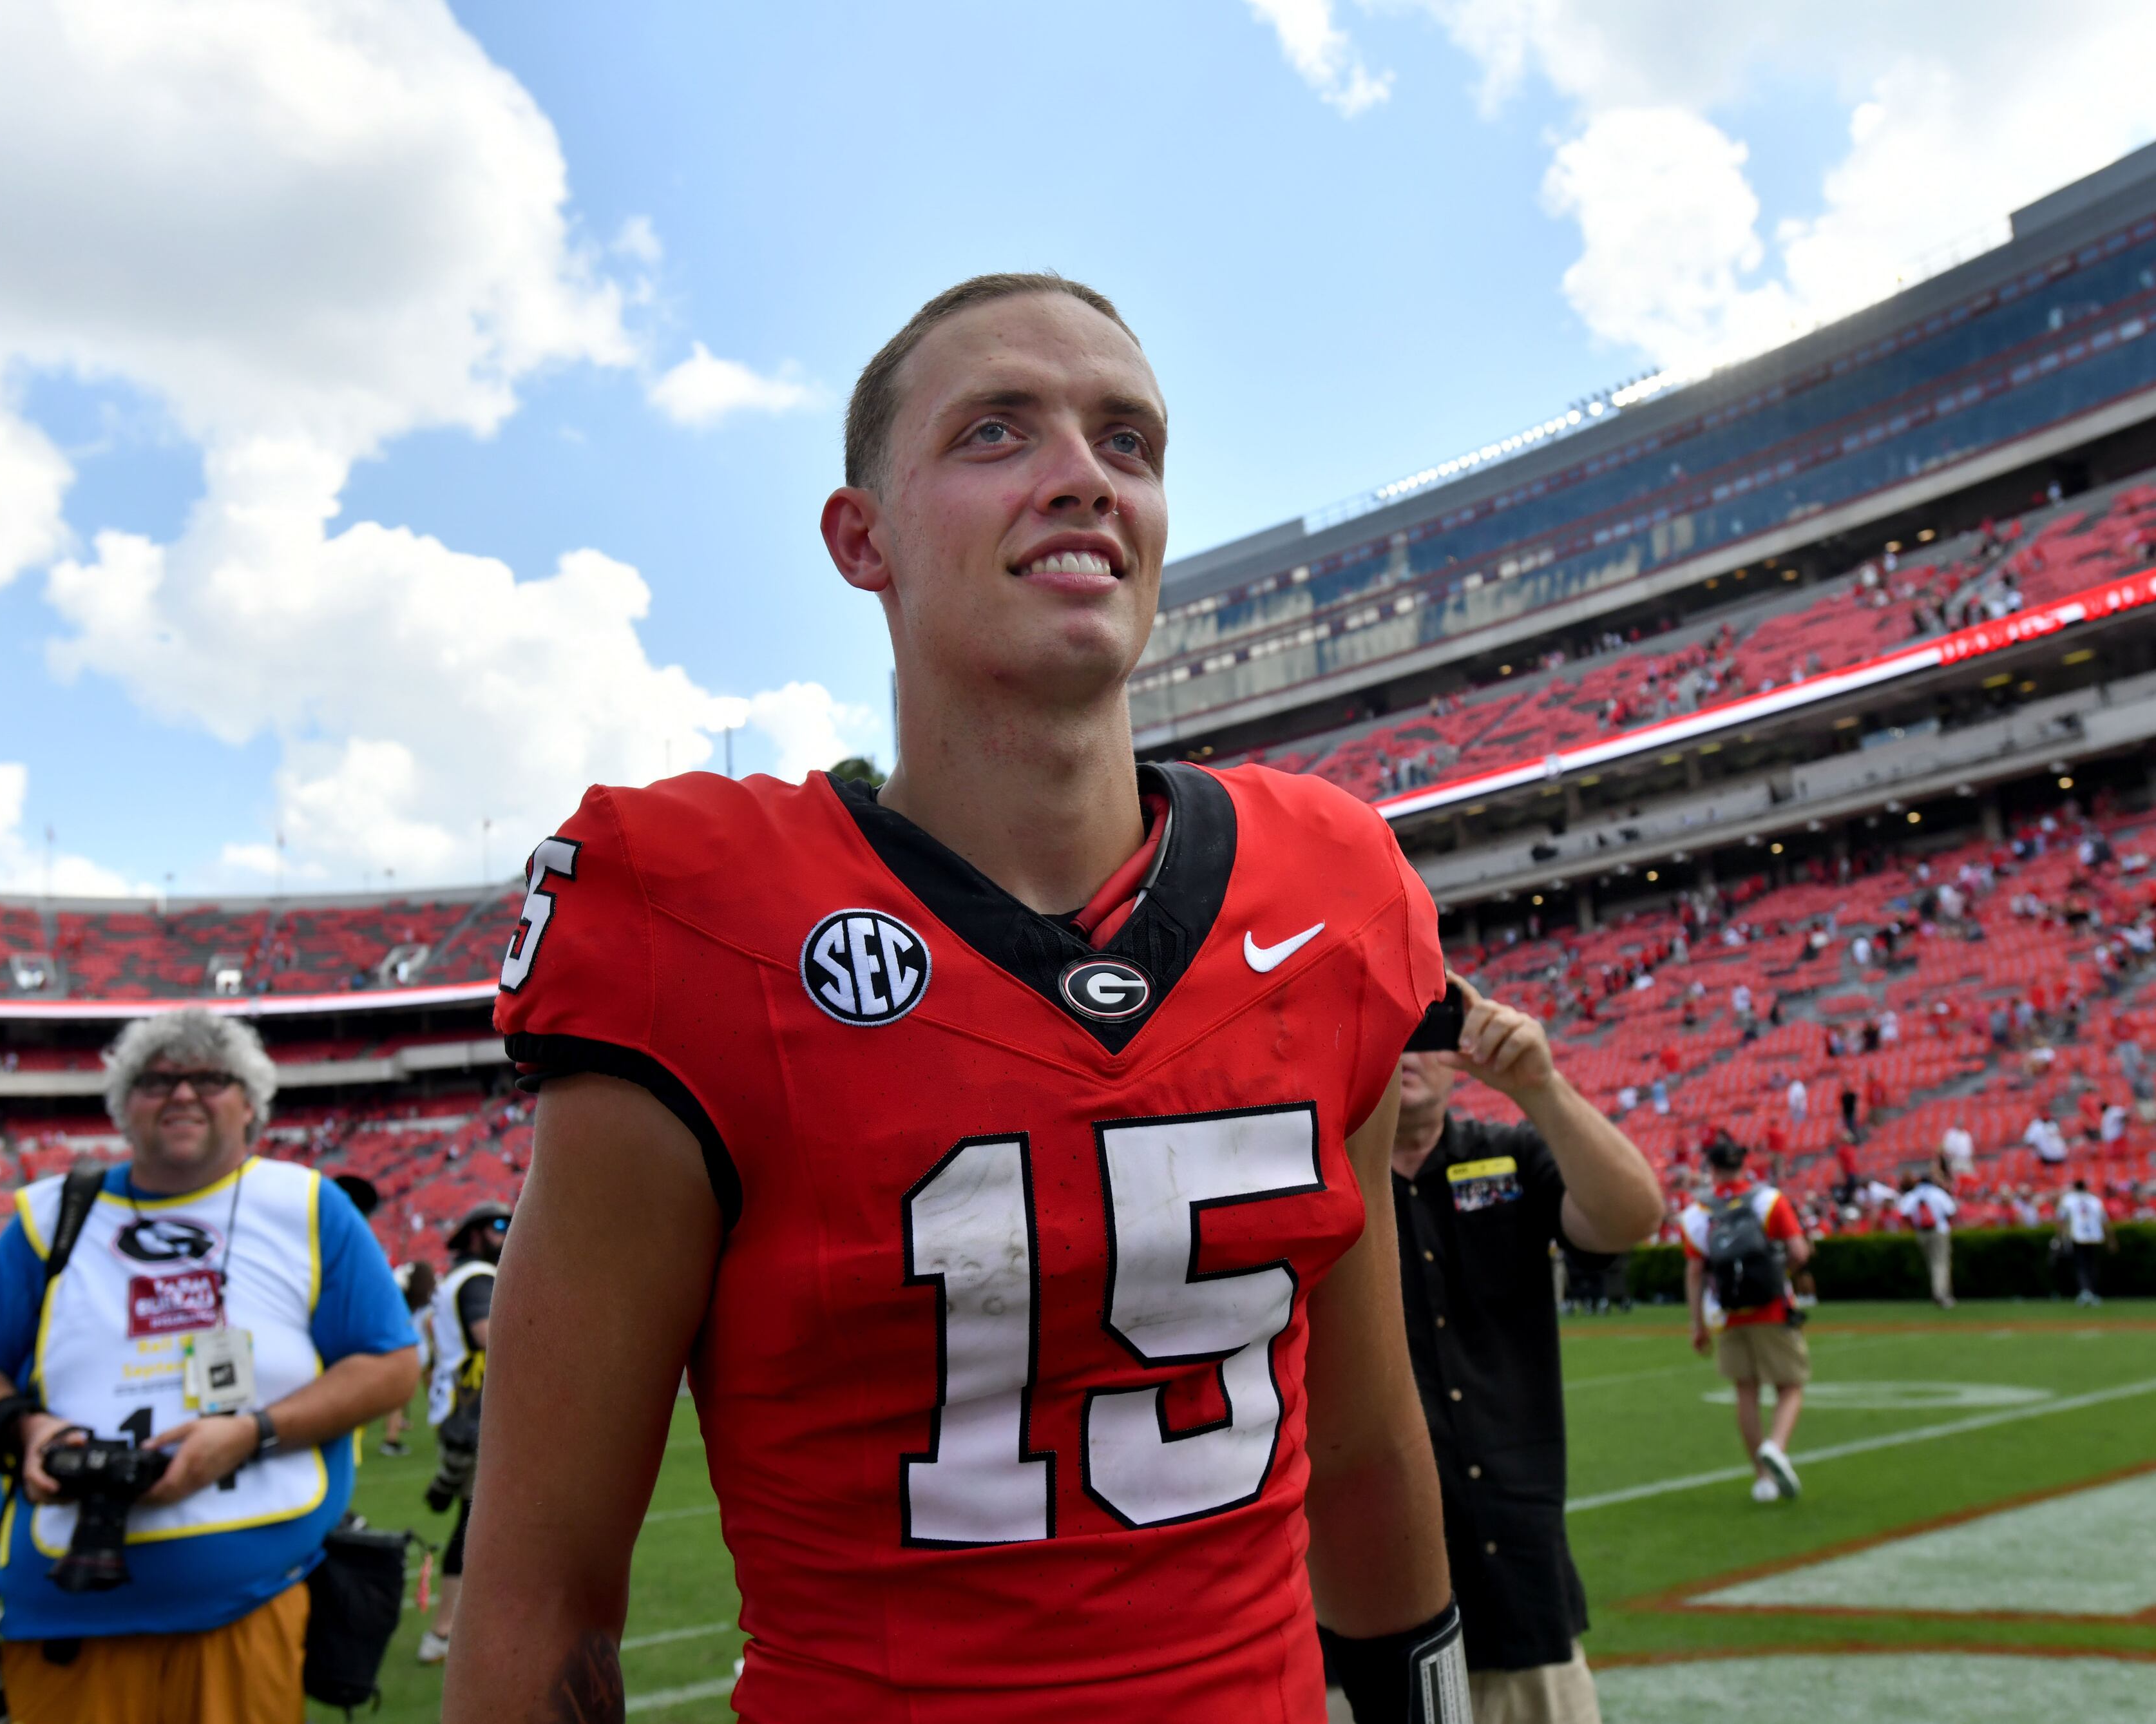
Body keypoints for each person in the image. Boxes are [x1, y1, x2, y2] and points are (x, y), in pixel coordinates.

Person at [451, 274, 1462, 1723]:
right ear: (864, 540)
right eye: (998, 434)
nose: (1082, 481)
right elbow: (542, 1590)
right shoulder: (698, 911)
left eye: (1129, 442)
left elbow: (1363, 1447)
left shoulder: (1329, 884)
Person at [0, 1010, 421, 1723]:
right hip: (66, 1621)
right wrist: (26, 1431)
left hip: (249, 1609)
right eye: (157, 1080)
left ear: (251, 1103)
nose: (182, 1094)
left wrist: (254, 1433)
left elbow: (389, 1364)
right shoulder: (51, 1218)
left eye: (210, 1078)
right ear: (124, 1105)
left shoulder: (309, 1208)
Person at [1388, 975, 1663, 1723]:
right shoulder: (1318, 1178)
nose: (1408, 1050)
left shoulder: (1509, 1155)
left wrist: (1540, 1088)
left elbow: (1632, 1216)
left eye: (1429, 1027)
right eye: (1388, 1026)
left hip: (1522, 1590)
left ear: (1460, 1046)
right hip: (1370, 1613)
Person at [1681, 1138, 1812, 1504]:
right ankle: (1777, 1445)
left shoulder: (1696, 1214)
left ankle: (1763, 1478)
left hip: (1728, 1313)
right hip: (1772, 1307)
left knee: (1745, 1391)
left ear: (1712, 1169)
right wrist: (1780, 1269)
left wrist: (1697, 1326)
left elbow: (1694, 1273)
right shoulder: (1769, 1200)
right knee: (1790, 1386)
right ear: (1744, 1165)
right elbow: (1799, 1251)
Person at [417, 1201, 508, 1667]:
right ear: (474, 1234)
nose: (506, 1231)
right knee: (477, 1524)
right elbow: (488, 1335)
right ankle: (443, 1631)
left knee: (479, 1520)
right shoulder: (477, 1278)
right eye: (497, 1225)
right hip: (474, 1415)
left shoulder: (458, 1276)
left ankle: (458, 1625)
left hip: (461, 1411)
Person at [385, 1259, 437, 1458]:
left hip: (405, 1350)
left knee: (398, 1397)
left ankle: (392, 1437)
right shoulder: (429, 1303)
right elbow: (433, 1328)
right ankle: (444, 1433)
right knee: (434, 1394)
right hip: (423, 1352)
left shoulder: (405, 1299)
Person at [1895, 1170, 1958, 1307]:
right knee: (1940, 1264)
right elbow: (1951, 1211)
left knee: (1932, 1264)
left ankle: (1940, 1292)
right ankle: (1941, 1294)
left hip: (1921, 1233)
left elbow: (1904, 1214)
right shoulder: (1938, 1193)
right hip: (1939, 1230)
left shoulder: (1913, 1195)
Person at [2057, 1176, 2110, 1306]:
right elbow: (2104, 1220)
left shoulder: (2068, 1199)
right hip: (2094, 1236)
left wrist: (2060, 1237)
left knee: (2081, 1265)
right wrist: (2111, 1239)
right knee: (2092, 1265)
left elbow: (2061, 1219)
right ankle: (2093, 1292)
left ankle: (2085, 1291)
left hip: (2078, 1236)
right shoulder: (2094, 1200)